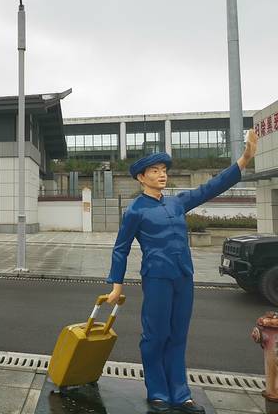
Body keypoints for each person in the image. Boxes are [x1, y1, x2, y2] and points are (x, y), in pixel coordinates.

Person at [105, 131, 258, 414]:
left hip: (184, 276)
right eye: (155, 171)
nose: (162, 174)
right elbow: (120, 248)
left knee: (178, 335)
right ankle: (158, 391)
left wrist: (244, 160)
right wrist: (116, 284)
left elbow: (209, 188)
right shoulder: (135, 210)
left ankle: (180, 393)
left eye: (164, 170)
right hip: (157, 278)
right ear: (141, 177)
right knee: (156, 335)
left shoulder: (176, 203)